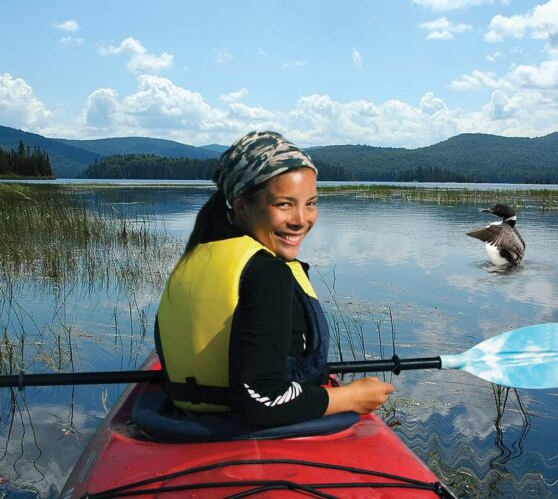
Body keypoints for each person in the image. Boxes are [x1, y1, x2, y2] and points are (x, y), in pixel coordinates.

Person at [155, 130, 394, 427]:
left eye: (311, 203)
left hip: (180, 424)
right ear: (241, 205)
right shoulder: (269, 274)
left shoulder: (191, 260)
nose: (301, 219)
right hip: (249, 433)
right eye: (284, 204)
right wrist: (352, 397)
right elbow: (262, 402)